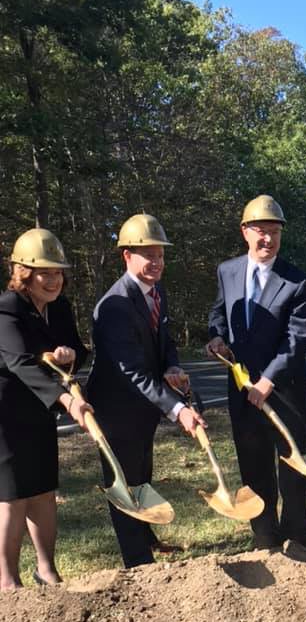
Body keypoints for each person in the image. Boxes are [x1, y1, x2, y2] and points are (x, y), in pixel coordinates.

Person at [86, 213, 204, 569]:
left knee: (143, 474)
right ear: (127, 256)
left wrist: (172, 366)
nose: (156, 262)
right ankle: (137, 563)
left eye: (160, 255)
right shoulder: (115, 306)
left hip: (143, 409)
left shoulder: (156, 293)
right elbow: (133, 373)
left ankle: (146, 539)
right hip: (116, 409)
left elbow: (163, 340)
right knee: (124, 482)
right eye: (147, 255)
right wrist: (178, 409)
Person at [207, 195, 306, 549]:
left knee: (294, 468)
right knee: (254, 467)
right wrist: (217, 338)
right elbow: (219, 313)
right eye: (260, 232)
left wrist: (268, 380)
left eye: (274, 232)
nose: (267, 239)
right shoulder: (228, 271)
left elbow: (296, 339)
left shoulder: (296, 281)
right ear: (245, 232)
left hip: (286, 391)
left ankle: (297, 537)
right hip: (242, 392)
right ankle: (264, 536)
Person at [0, 228, 92, 591]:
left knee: (41, 488)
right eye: (45, 273)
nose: (54, 280)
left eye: (58, 273)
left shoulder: (60, 307)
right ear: (24, 273)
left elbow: (77, 350)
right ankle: (7, 579)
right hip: (6, 411)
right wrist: (68, 399)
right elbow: (21, 363)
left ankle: (47, 568)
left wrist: (69, 355)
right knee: (13, 494)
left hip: (41, 408)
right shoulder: (7, 307)